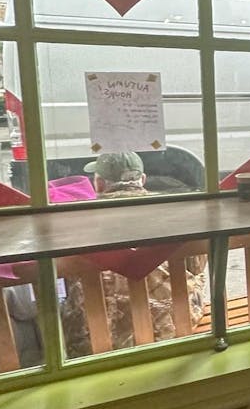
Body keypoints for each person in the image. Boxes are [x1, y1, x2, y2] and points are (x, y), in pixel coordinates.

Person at [59, 152, 207, 358]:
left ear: (99, 183)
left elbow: (66, 278)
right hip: (171, 329)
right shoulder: (173, 211)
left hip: (91, 342)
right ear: (142, 179)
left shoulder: (77, 219)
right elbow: (197, 266)